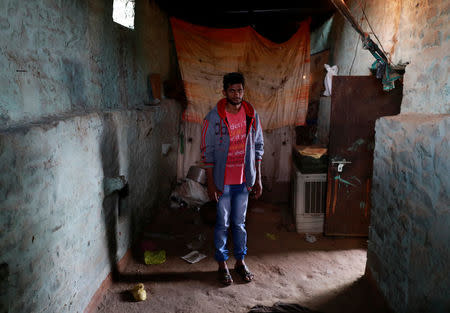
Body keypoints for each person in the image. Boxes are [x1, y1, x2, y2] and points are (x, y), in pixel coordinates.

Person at [200, 72, 264, 285]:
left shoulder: (251, 114)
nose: (237, 95)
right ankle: (222, 263)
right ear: (224, 92)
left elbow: (258, 147)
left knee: (240, 223)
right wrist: (211, 183)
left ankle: (240, 261)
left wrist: (258, 179)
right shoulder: (213, 118)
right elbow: (207, 153)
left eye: (240, 90)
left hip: (244, 181)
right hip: (223, 182)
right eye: (232, 90)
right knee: (222, 224)